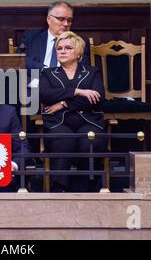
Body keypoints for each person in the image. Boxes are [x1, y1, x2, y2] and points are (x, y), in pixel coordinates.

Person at [39, 31, 106, 192]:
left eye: (68, 48)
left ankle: (88, 189)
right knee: (64, 140)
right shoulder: (48, 73)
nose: (62, 51)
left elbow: (97, 98)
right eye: (59, 48)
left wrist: (63, 103)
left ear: (78, 53)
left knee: (90, 141)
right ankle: (59, 188)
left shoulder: (92, 72)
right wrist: (78, 91)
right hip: (58, 122)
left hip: (88, 120)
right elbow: (45, 94)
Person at [21, 1, 90, 76]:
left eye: (69, 20)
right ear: (49, 19)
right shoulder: (32, 37)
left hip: (64, 84)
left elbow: (83, 69)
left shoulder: (79, 42)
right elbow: (21, 59)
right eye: (61, 19)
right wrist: (45, 70)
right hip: (37, 81)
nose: (66, 24)